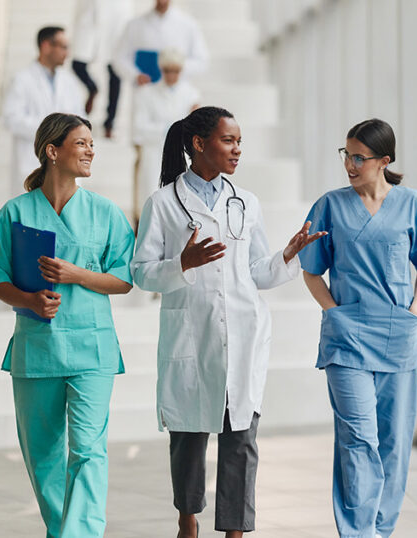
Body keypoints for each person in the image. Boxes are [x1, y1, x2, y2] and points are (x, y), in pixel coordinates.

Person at [130, 106, 325, 538]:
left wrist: (287, 256)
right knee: (188, 439)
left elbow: (256, 272)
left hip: (243, 335)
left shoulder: (246, 202)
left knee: (241, 440)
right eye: (228, 141)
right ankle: (187, 517)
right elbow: (141, 273)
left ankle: (236, 531)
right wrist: (182, 263)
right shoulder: (163, 203)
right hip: (191, 336)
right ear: (199, 144)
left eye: (239, 142)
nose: (237, 150)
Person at [0, 113, 135, 537]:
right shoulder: (15, 213)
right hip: (37, 349)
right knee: (43, 458)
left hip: (93, 349)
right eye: (82, 143)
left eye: (92, 144)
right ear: (53, 151)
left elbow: (124, 279)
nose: (91, 150)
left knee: (88, 451)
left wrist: (76, 275)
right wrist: (28, 299)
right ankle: (62, 531)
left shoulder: (105, 213)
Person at [298, 119, 417, 538]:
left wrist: (416, 312)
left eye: (359, 157)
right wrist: (335, 314)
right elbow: (311, 272)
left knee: (394, 443)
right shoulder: (329, 205)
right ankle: (359, 533)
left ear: (384, 161)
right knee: (358, 439)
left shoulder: (412, 204)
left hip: (399, 337)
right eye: (346, 154)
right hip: (346, 341)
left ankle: (382, 529)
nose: (349, 163)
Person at [2, 27, 85, 193]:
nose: (67, 53)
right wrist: (52, 131)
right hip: (31, 165)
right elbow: (11, 118)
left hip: (66, 167)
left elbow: (81, 120)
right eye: (63, 47)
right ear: (46, 46)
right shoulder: (22, 79)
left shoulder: (69, 82)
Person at [131, 48, 200, 225]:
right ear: (161, 70)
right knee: (152, 195)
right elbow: (139, 128)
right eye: (167, 71)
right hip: (153, 151)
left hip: (182, 152)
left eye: (175, 71)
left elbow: (195, 127)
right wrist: (168, 129)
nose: (171, 75)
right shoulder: (146, 93)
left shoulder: (191, 94)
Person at [113, 0, 209, 123]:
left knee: (176, 133)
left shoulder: (188, 24)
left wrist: (176, 69)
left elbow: (201, 60)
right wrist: (135, 75)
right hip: (146, 91)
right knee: (144, 131)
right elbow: (119, 57)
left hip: (176, 95)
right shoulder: (135, 25)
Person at [71, 0, 133, 135]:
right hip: (90, 14)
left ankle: (110, 122)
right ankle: (92, 87)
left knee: (115, 71)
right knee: (77, 64)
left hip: (116, 19)